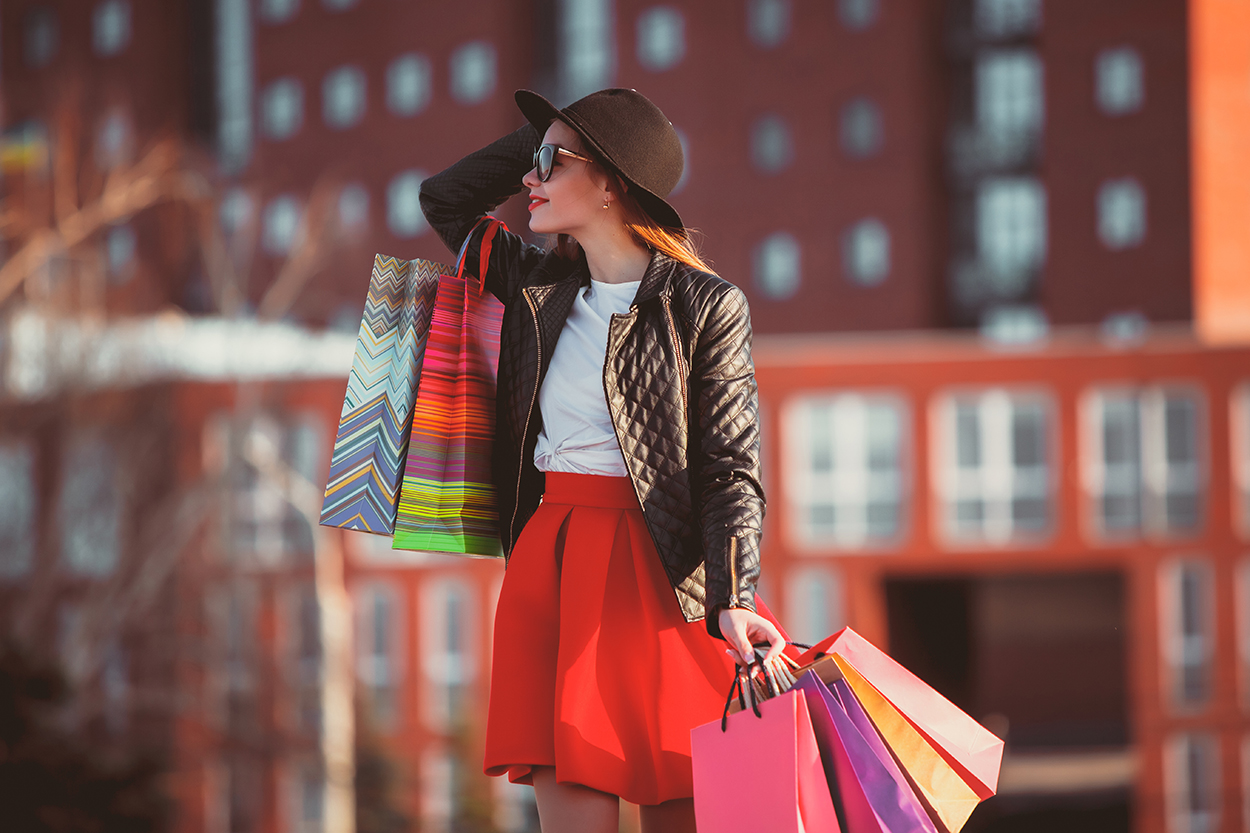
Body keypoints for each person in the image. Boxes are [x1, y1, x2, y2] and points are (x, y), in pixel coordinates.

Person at [419, 87, 786, 833]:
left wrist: (737, 591)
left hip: (667, 578)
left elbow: (729, 465)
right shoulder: (533, 284)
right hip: (551, 566)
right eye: (534, 161)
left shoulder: (705, 305)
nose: (531, 178)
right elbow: (446, 197)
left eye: (552, 162)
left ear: (613, 181)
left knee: (684, 808)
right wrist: (547, 139)